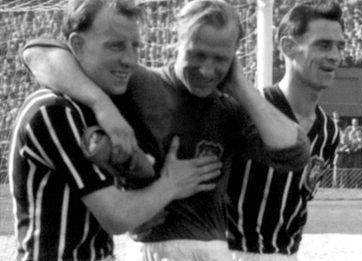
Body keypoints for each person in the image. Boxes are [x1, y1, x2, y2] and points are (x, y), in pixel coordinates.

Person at [21, 0, 310, 259]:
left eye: (220, 59)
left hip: (213, 251)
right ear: (177, 42)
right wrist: (103, 106)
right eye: (197, 54)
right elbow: (39, 52)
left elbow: (294, 152)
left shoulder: (229, 110)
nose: (207, 70)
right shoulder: (137, 83)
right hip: (152, 250)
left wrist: (239, 86)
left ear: (234, 57)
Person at [9, 1, 223, 260]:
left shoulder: (108, 106)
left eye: (135, 46)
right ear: (77, 45)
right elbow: (116, 216)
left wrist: (144, 205)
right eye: (115, 45)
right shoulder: (53, 110)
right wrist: (172, 184)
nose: (130, 60)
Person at [227, 1, 342, 259]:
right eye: (323, 45)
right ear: (288, 47)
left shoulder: (330, 132)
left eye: (339, 46)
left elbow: (300, 201)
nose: (335, 55)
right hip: (232, 252)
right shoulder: (246, 111)